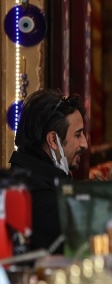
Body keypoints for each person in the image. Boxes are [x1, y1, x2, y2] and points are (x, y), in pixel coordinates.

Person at [9, 89, 88, 254]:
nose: (84, 144)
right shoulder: (40, 195)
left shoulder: (33, 177)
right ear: (53, 140)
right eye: (78, 135)